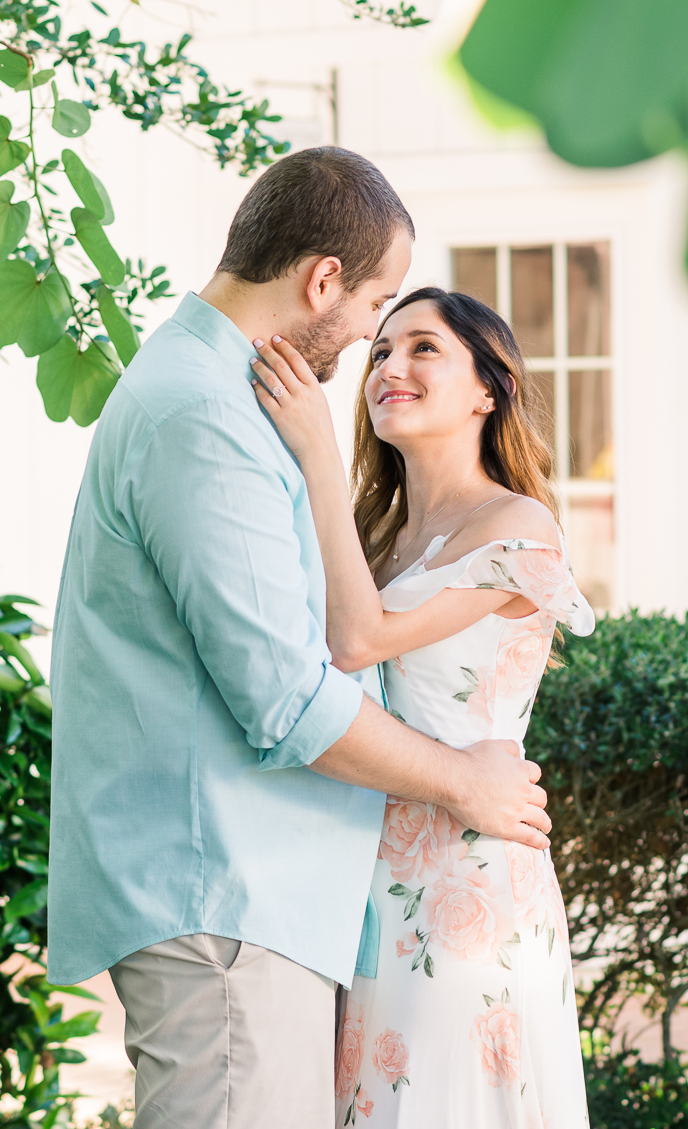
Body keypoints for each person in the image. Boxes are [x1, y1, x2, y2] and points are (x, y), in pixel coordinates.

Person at [45, 148, 554, 1129]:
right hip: (223, 903)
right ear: (323, 281)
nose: (371, 338)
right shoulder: (204, 416)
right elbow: (287, 698)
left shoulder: (218, 397)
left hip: (263, 904)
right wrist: (463, 781)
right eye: (376, 305)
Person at [251, 286, 594, 1128]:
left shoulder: (517, 525)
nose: (389, 367)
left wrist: (315, 453)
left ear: (489, 387)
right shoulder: (375, 534)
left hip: (467, 876)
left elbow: (358, 642)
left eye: (423, 349)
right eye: (379, 351)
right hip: (364, 872)